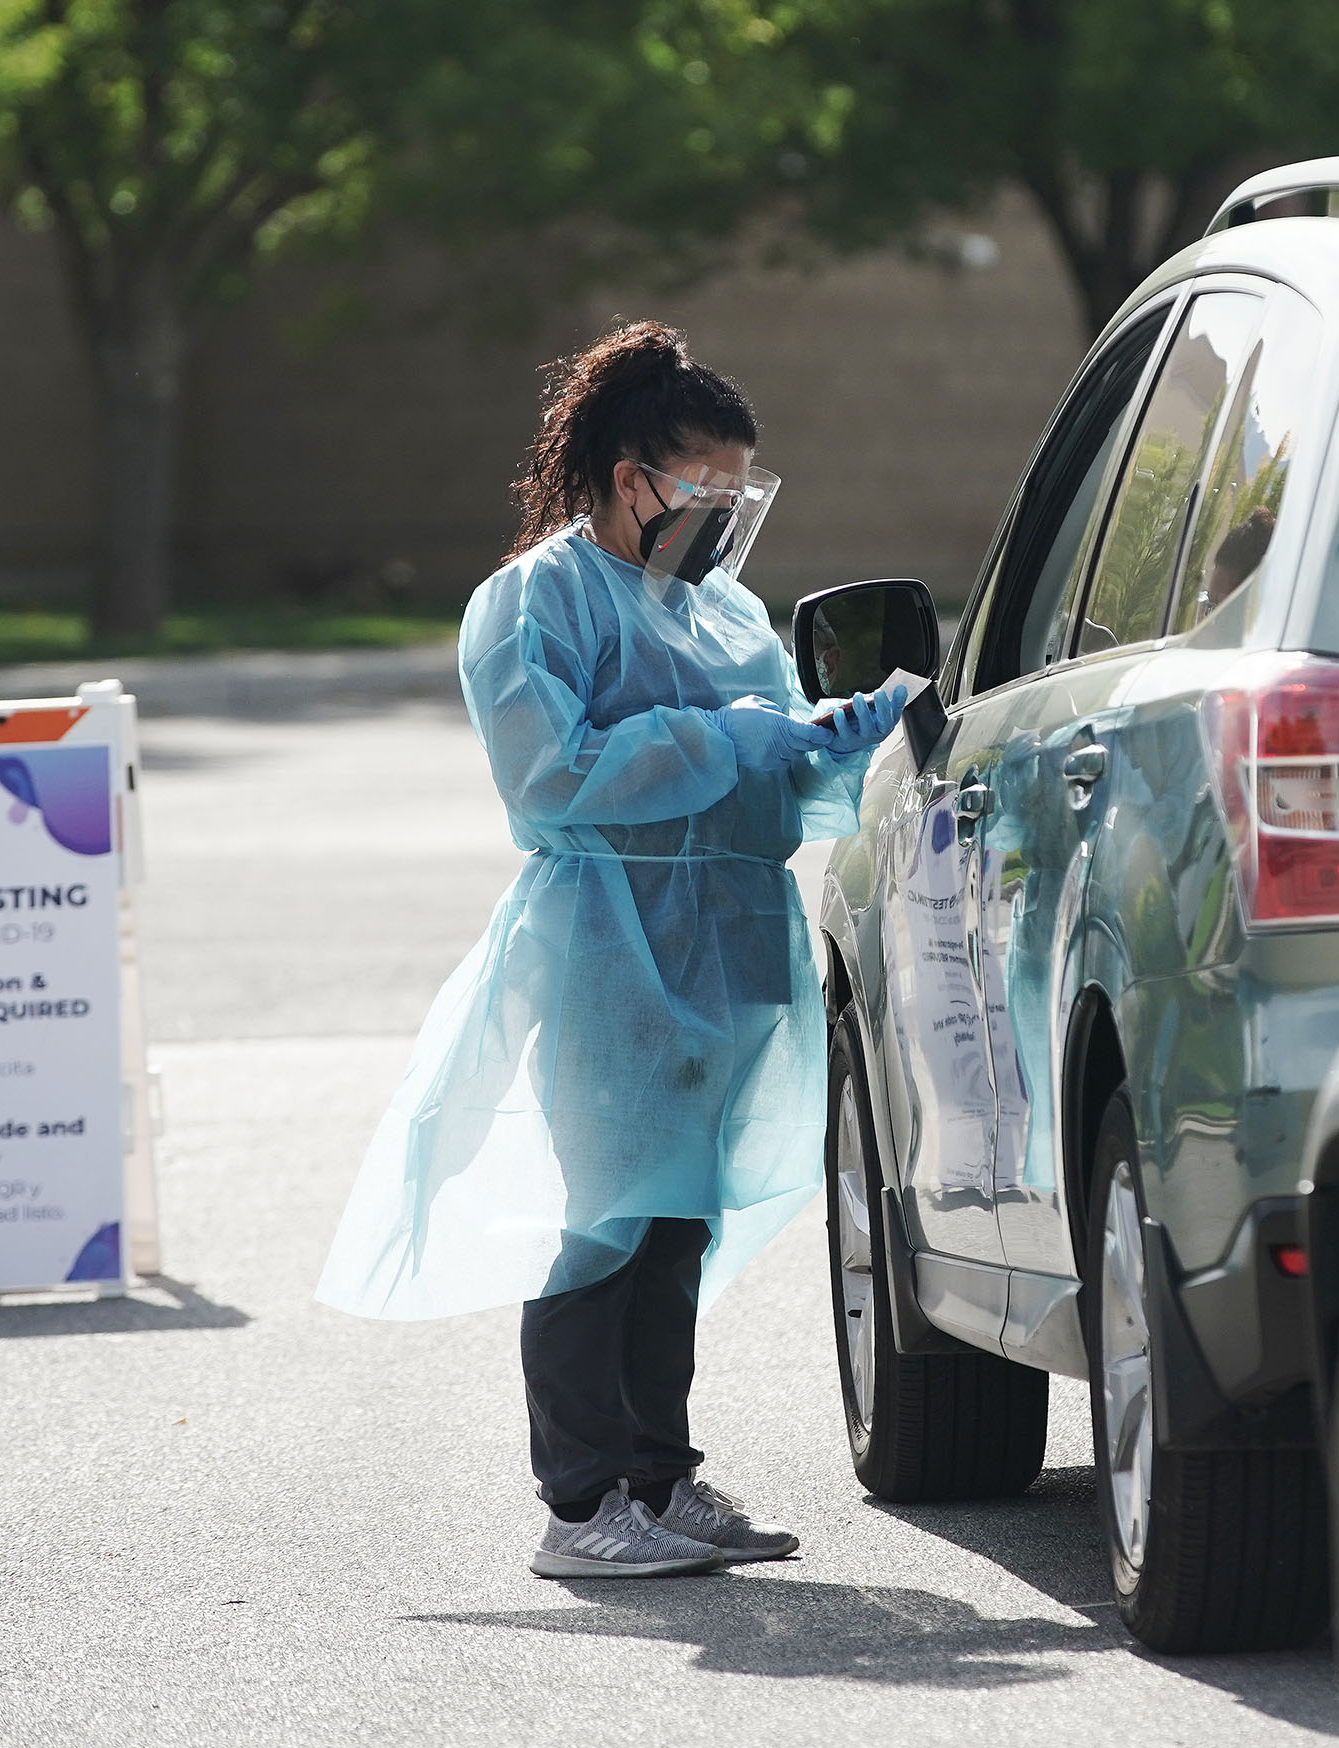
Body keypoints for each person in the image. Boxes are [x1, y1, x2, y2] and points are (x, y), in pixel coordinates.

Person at [315, 321, 906, 1578]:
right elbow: (551, 775)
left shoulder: (726, 610)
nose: (719, 516)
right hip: (609, 940)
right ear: (630, 472)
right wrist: (721, 739)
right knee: (605, 1222)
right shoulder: (536, 599)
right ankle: (581, 1505)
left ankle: (658, 1473)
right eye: (703, 488)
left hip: (727, 943)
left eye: (738, 495)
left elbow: (768, 775)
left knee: (675, 1220)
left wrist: (826, 744)